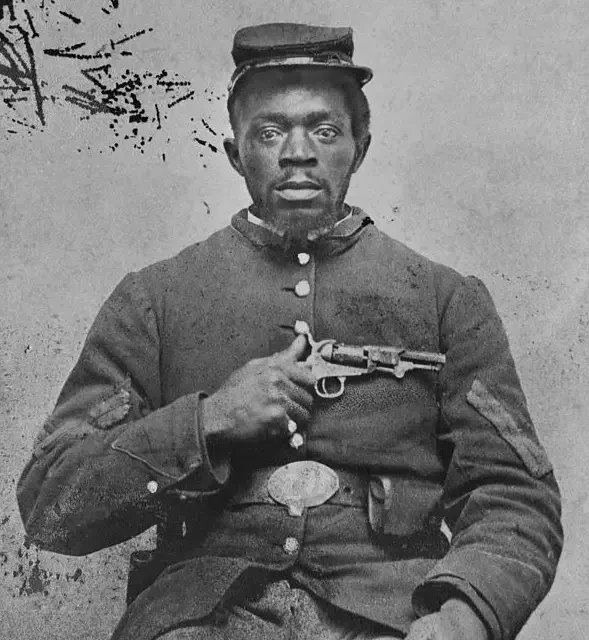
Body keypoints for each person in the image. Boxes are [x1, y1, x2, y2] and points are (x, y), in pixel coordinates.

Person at [17, 23, 563, 640]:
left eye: (325, 130)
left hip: (394, 616)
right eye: (270, 132)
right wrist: (209, 421)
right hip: (199, 618)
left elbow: (514, 496)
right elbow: (49, 507)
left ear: (360, 147)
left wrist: (463, 618)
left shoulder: (446, 300)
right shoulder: (153, 300)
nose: (298, 152)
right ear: (235, 153)